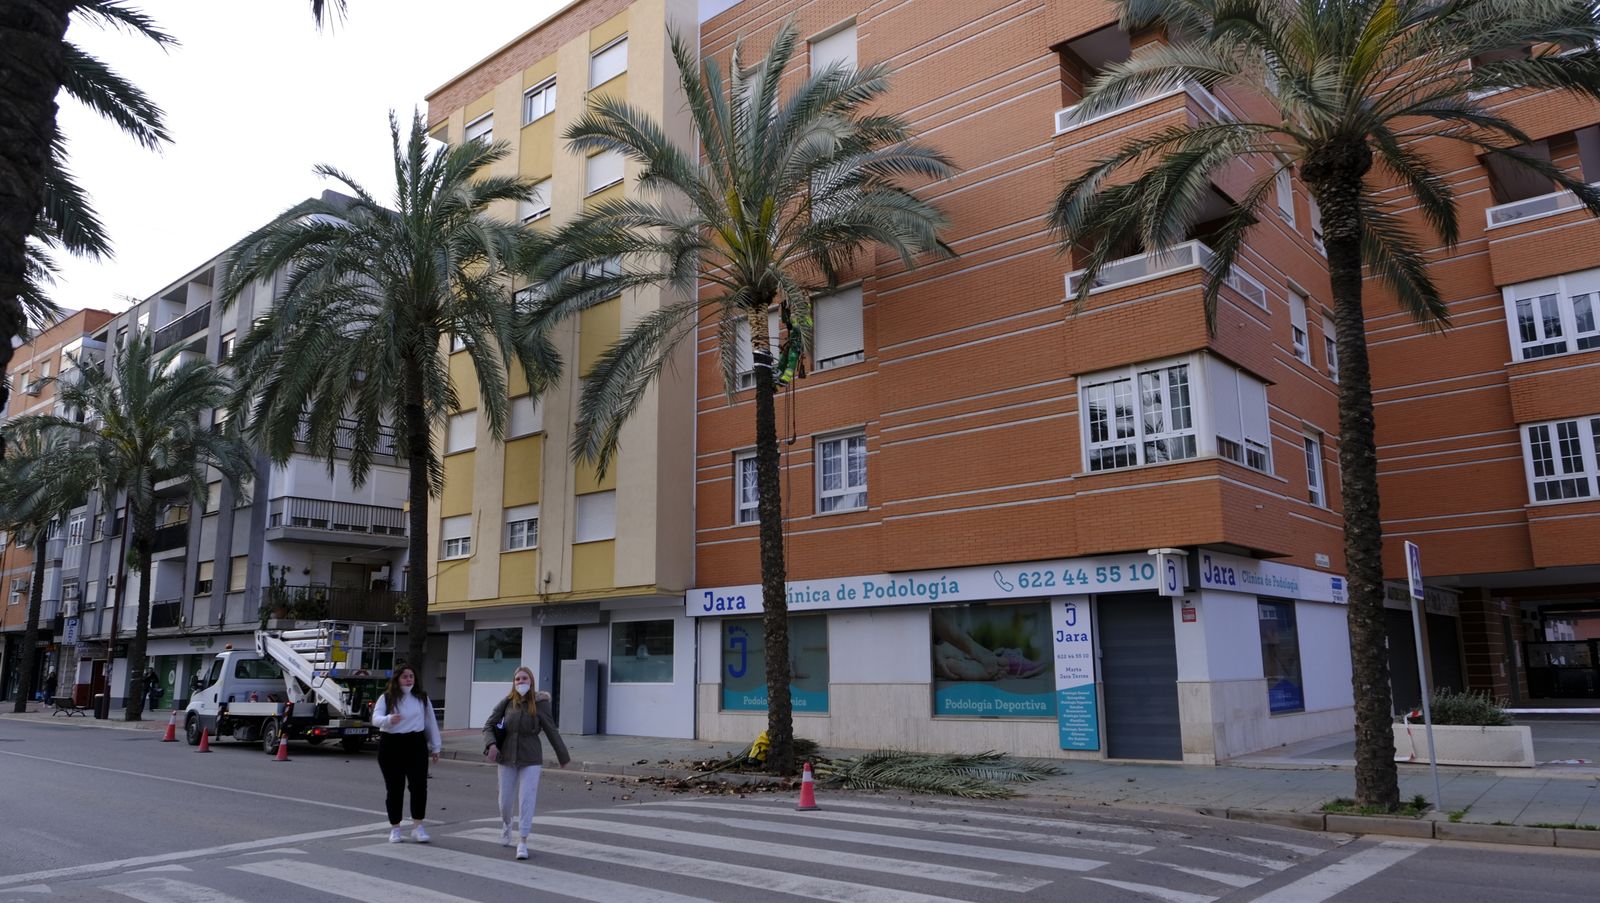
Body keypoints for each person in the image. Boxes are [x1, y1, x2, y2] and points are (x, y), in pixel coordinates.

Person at [483, 666, 569, 861]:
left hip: (531, 758)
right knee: (505, 801)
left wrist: (562, 756)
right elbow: (489, 725)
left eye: (524, 679)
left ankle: (523, 841)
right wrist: (491, 744)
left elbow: (551, 730)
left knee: (526, 800)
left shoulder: (540, 704)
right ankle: (506, 825)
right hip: (506, 757)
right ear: (514, 683)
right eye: (517, 679)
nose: (521, 682)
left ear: (531, 682)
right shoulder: (506, 702)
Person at [372, 664, 441, 844]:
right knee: (395, 787)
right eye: (405, 676)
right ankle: (395, 828)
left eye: (411, 676)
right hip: (391, 744)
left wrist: (436, 747)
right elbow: (375, 718)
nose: (409, 679)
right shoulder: (387, 698)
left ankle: (418, 826)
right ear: (397, 679)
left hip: (415, 743)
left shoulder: (422, 698)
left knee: (419, 786)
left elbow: (430, 722)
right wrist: (388, 719)